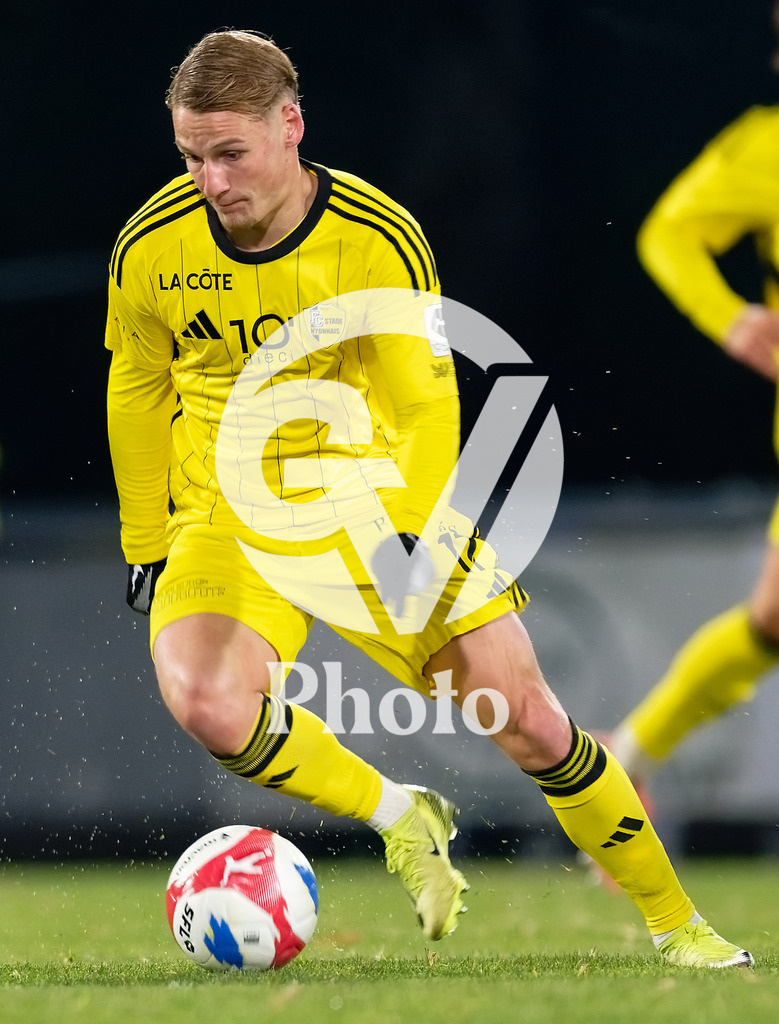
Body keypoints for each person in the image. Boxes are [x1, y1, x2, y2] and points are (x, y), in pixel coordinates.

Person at [105, 28, 751, 968]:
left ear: (290, 126)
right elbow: (136, 390)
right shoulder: (152, 245)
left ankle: (679, 926)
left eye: (230, 153)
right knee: (207, 701)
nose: (211, 180)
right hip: (226, 516)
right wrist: (145, 538)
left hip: (372, 506)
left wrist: (407, 532)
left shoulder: (376, 237)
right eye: (192, 156)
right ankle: (401, 816)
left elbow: (423, 405)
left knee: (530, 722)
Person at [607, 11, 779, 810]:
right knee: (771, 622)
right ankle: (627, 754)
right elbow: (669, 234)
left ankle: (628, 751)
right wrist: (730, 317)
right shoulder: (765, 147)